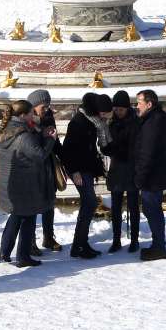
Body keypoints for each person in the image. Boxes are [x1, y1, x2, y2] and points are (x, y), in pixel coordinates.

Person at [0, 100, 57, 267]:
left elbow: (27, 146)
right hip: (25, 183)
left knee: (16, 216)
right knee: (29, 218)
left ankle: (4, 252)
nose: (33, 115)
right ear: (23, 115)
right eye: (31, 113)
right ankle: (23, 257)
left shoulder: (7, 128)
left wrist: (41, 133)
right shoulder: (23, 136)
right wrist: (51, 140)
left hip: (10, 182)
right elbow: (39, 155)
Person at [62, 93, 106, 258]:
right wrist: (74, 172)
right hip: (79, 171)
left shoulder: (90, 121)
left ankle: (80, 244)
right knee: (90, 203)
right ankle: (79, 245)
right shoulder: (78, 122)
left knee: (88, 204)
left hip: (86, 169)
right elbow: (68, 150)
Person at [133, 89, 166, 261]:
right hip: (159, 172)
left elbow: (147, 153)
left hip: (151, 176)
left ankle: (159, 247)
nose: (137, 106)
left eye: (139, 103)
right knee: (153, 209)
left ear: (149, 104)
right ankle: (158, 244)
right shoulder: (163, 118)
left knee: (152, 210)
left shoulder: (152, 122)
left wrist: (140, 177)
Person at [102, 90, 140, 252]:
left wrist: (120, 148)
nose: (118, 112)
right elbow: (106, 147)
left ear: (127, 108)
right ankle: (116, 239)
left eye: (121, 109)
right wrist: (105, 146)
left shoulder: (136, 122)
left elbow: (137, 146)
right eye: (116, 109)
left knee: (133, 207)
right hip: (116, 170)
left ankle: (134, 240)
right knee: (116, 208)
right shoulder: (111, 124)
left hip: (132, 169)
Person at [29, 89, 62, 253]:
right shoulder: (27, 120)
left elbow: (55, 142)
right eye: (44, 106)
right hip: (34, 167)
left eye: (48, 106)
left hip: (48, 166)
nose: (47, 109)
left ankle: (48, 237)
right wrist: (45, 136)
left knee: (49, 201)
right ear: (34, 106)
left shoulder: (48, 117)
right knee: (33, 205)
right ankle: (30, 241)